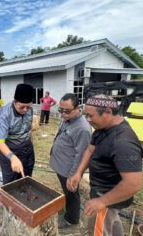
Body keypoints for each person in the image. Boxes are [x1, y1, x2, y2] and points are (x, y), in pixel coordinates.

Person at [67, 94, 143, 236]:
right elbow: (90, 150)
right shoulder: (103, 128)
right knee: (112, 222)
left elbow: (134, 183)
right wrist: (78, 173)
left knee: (98, 231)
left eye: (90, 116)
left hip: (108, 196)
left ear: (108, 111)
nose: (87, 120)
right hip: (102, 192)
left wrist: (102, 201)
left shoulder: (122, 142)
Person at [50, 93, 92, 229]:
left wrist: (73, 175)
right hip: (62, 167)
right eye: (60, 110)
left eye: (66, 111)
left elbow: (82, 156)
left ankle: (71, 220)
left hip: (69, 170)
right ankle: (68, 211)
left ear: (77, 108)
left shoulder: (83, 128)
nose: (63, 114)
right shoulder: (68, 119)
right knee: (67, 192)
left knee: (72, 194)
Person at [0, 83, 35, 184]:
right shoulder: (5, 113)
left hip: (27, 150)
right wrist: (12, 158)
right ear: (15, 101)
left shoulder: (29, 110)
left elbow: (29, 130)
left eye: (28, 107)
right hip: (10, 151)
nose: (25, 110)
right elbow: (0, 142)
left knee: (26, 180)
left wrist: (30, 145)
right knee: (10, 184)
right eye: (22, 107)